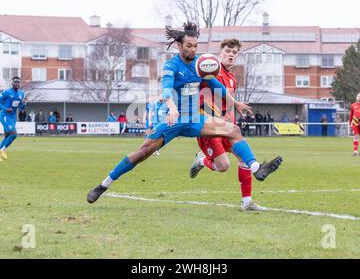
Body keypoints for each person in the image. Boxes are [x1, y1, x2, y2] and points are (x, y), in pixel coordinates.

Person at [87, 21, 282, 204]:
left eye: (195, 45)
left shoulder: (199, 64)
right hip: (173, 120)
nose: (193, 49)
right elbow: (166, 89)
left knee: (233, 131)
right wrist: (171, 108)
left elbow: (215, 84)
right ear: (180, 46)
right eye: (189, 45)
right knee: (142, 153)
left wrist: (235, 102)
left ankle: (256, 168)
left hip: (196, 119)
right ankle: (104, 184)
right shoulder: (172, 66)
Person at [189, 39, 266, 210]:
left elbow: (226, 102)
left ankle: (247, 202)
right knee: (223, 166)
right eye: (228, 51)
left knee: (243, 158)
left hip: (227, 125)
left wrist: (235, 112)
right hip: (209, 126)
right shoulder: (210, 70)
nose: (231, 54)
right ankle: (201, 161)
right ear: (220, 52)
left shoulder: (231, 78)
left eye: (234, 52)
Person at [0, 76, 26, 161]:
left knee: (7, 136)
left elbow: (21, 108)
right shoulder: (7, 92)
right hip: (5, 116)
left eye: (18, 82)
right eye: (15, 82)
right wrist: (5, 109)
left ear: (20, 84)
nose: (17, 83)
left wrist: (24, 104)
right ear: (12, 83)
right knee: (14, 134)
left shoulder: (21, 94)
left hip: (13, 117)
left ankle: (1, 151)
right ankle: (3, 150)